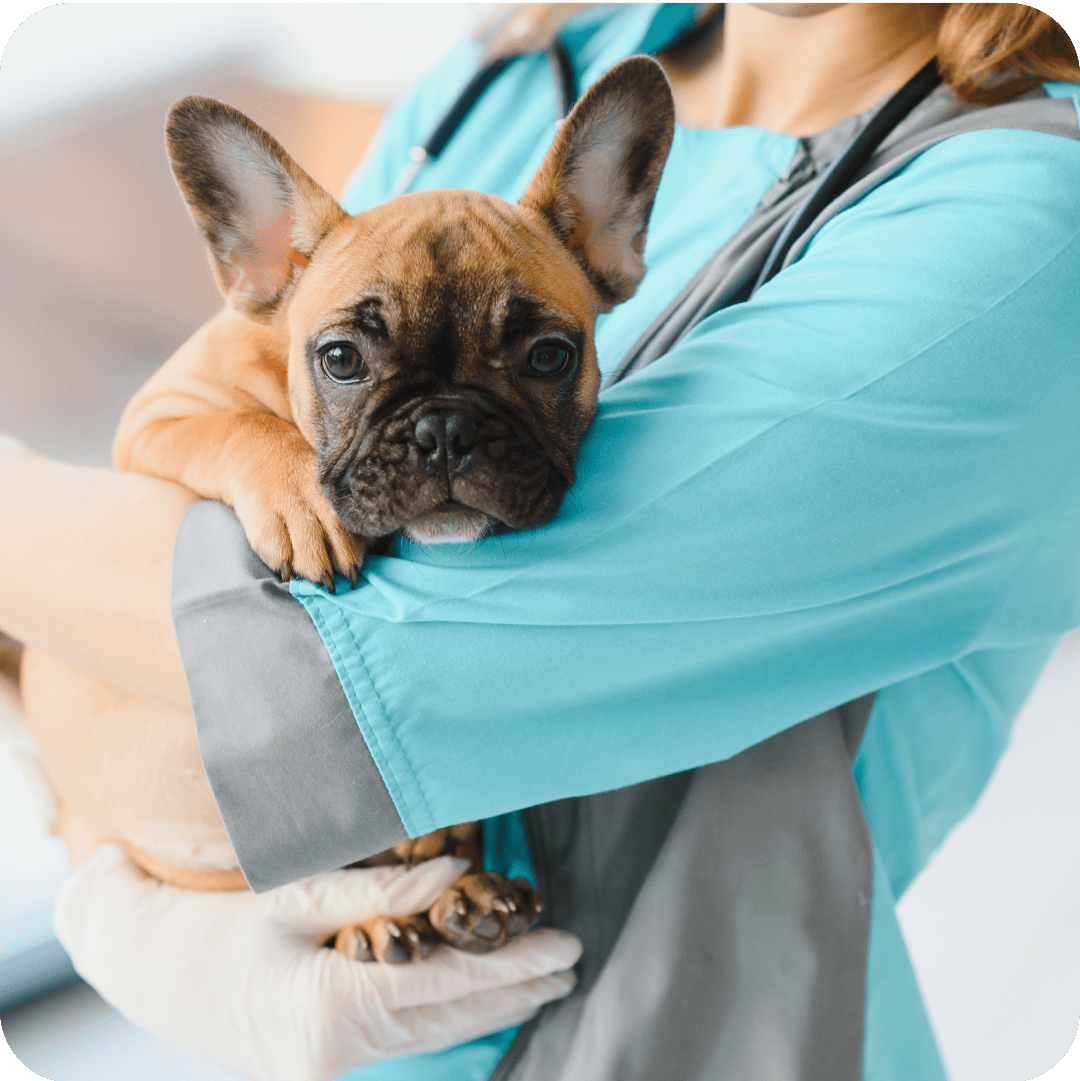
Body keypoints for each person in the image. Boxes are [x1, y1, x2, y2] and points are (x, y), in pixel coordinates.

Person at [3, 3, 1079, 1079]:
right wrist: (113, 878)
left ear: (613, 241)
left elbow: (329, 666)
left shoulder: (1023, 211)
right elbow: (208, 419)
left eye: (541, 357)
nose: (441, 435)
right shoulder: (513, 65)